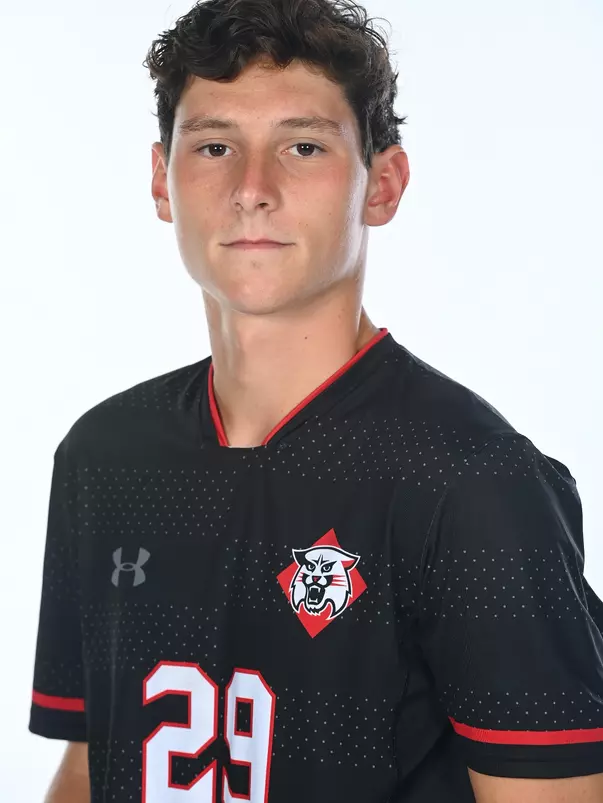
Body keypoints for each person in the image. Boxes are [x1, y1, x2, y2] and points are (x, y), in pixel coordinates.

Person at [28, 0, 603, 801]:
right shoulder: (103, 456)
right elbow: (90, 769)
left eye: (302, 146)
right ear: (162, 180)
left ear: (383, 184)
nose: (251, 189)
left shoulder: (473, 482)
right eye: (215, 146)